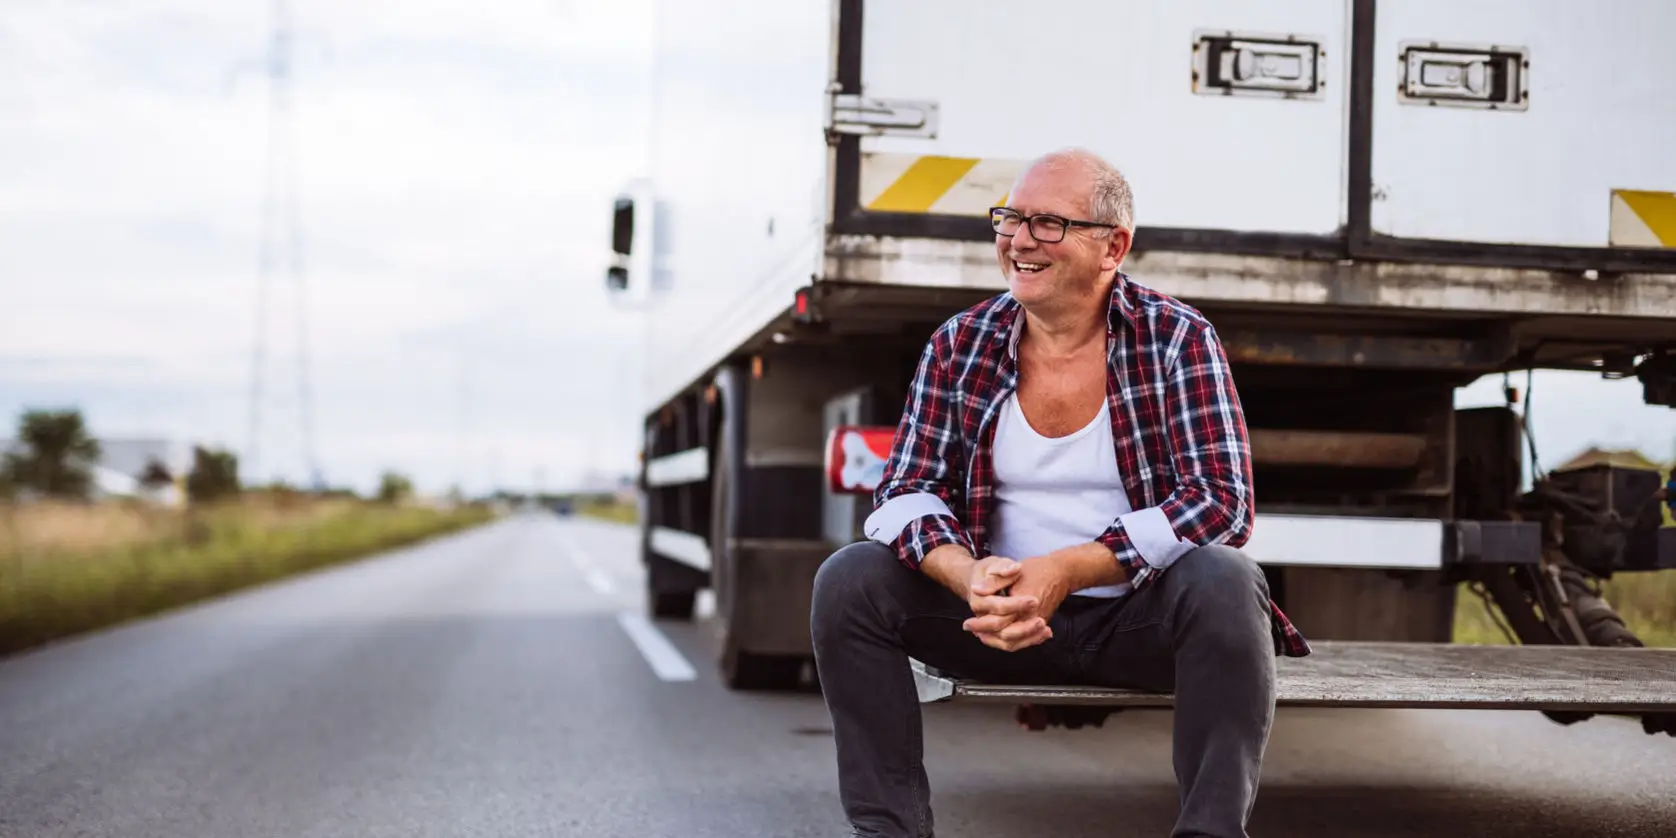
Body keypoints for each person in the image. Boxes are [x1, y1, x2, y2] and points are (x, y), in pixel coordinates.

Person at [809, 148, 1312, 838]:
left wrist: (1068, 569)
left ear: (1114, 246)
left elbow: (1222, 502)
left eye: (1048, 223)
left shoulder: (1176, 339)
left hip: (1131, 622)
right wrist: (967, 575)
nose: (1018, 240)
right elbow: (904, 492)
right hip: (992, 621)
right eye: (1010, 219)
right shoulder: (960, 343)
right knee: (849, 579)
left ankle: (1211, 832)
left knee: (1226, 577)